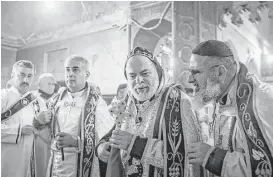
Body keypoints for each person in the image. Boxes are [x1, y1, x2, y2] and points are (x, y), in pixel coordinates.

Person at [96, 47, 203, 177]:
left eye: (145, 73)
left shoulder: (177, 101)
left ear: (158, 73)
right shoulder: (127, 101)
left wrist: (135, 144)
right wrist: (102, 147)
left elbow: (189, 157)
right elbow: (115, 133)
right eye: (132, 76)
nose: (139, 80)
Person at [187, 40, 273, 177]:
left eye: (196, 72)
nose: (189, 80)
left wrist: (211, 157)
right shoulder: (218, 93)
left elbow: (266, 168)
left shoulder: (261, 102)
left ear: (220, 72)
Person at [34, 55, 115, 177]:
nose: (70, 74)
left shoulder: (96, 103)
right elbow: (46, 136)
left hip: (82, 163)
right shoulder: (54, 101)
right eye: (67, 69)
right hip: (56, 165)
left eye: (75, 69)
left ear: (86, 75)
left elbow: (106, 139)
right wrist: (38, 123)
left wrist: (78, 142)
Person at [1, 60, 51, 177]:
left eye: (29, 76)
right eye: (21, 75)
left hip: (32, 158)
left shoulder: (39, 101)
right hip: (5, 158)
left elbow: (46, 136)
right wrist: (19, 130)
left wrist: (40, 126)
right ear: (12, 75)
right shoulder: (3, 96)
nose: (25, 80)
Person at [34, 73, 57, 177]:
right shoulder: (32, 99)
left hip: (55, 141)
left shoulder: (58, 99)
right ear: (39, 85)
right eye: (49, 83)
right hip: (38, 140)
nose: (52, 86)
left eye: (53, 84)